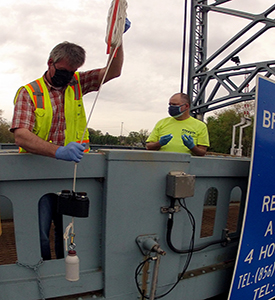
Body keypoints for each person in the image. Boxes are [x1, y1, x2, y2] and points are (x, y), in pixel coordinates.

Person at [10, 22, 130, 260]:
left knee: (67, 232)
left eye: (73, 71)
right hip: (36, 174)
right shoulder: (29, 92)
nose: (67, 76)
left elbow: (113, 71)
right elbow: (21, 134)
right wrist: (59, 151)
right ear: (50, 63)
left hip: (71, 173)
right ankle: (42, 274)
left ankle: (63, 276)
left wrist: (118, 40)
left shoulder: (76, 83)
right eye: (64, 70)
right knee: (40, 233)